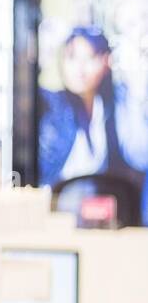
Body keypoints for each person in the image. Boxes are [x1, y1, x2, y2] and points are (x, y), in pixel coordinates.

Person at [38, 24, 148, 222]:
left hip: (99, 217)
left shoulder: (112, 107)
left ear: (106, 61)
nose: (79, 69)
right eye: (71, 57)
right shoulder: (53, 106)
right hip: (54, 216)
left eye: (89, 58)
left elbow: (140, 155)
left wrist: (135, 94)